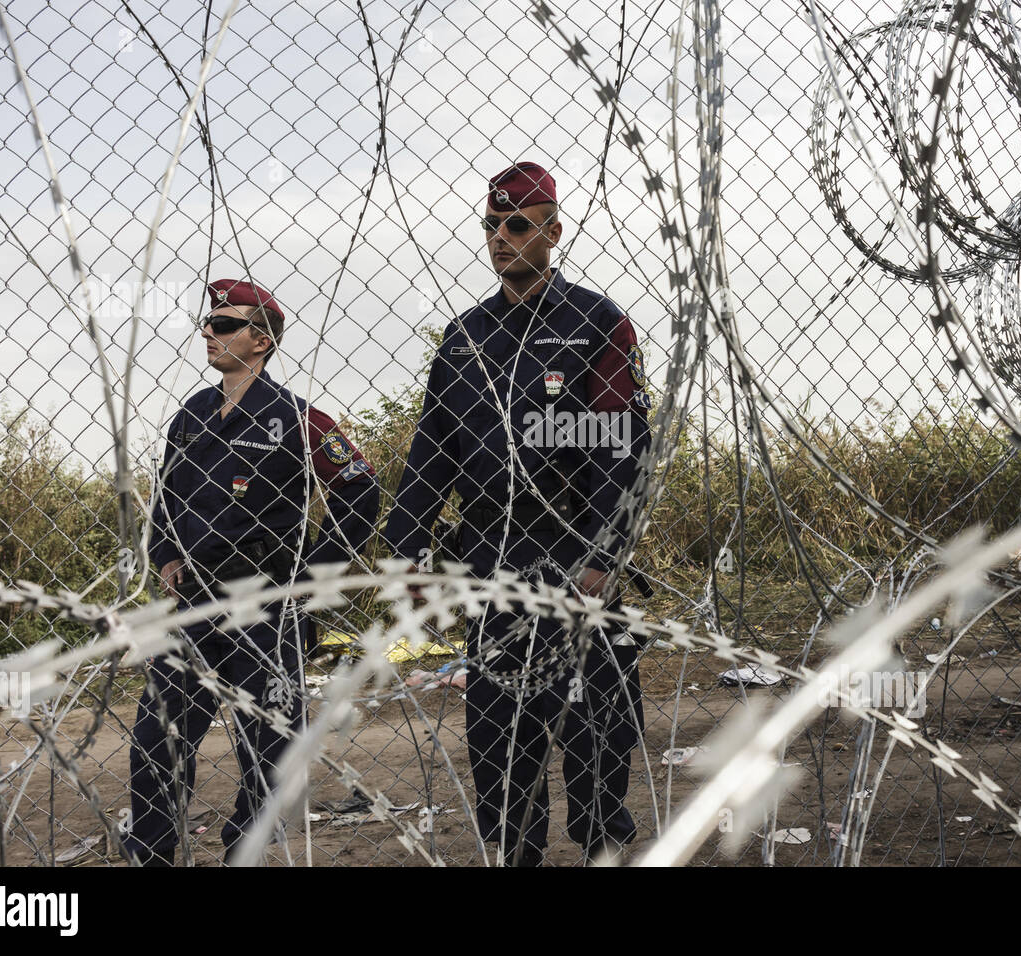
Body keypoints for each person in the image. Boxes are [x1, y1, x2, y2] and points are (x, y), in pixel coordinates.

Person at [384, 162, 651, 865]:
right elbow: (430, 454)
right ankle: (515, 851)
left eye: (517, 225)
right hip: (491, 564)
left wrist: (603, 554)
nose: (501, 238)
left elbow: (622, 451)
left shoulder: (598, 323)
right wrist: (405, 547)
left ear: (552, 232)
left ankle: (603, 843)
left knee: (599, 727)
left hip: (572, 558)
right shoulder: (465, 337)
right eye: (492, 225)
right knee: (501, 734)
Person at [124, 278, 380, 866]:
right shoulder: (192, 414)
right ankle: (153, 849)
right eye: (208, 323)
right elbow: (166, 496)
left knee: (268, 742)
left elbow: (359, 493)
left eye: (224, 325)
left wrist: (314, 577)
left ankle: (249, 844)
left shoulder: (298, 418)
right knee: (157, 734)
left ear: (260, 340)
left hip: (265, 602)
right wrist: (165, 553)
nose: (208, 334)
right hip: (195, 603)